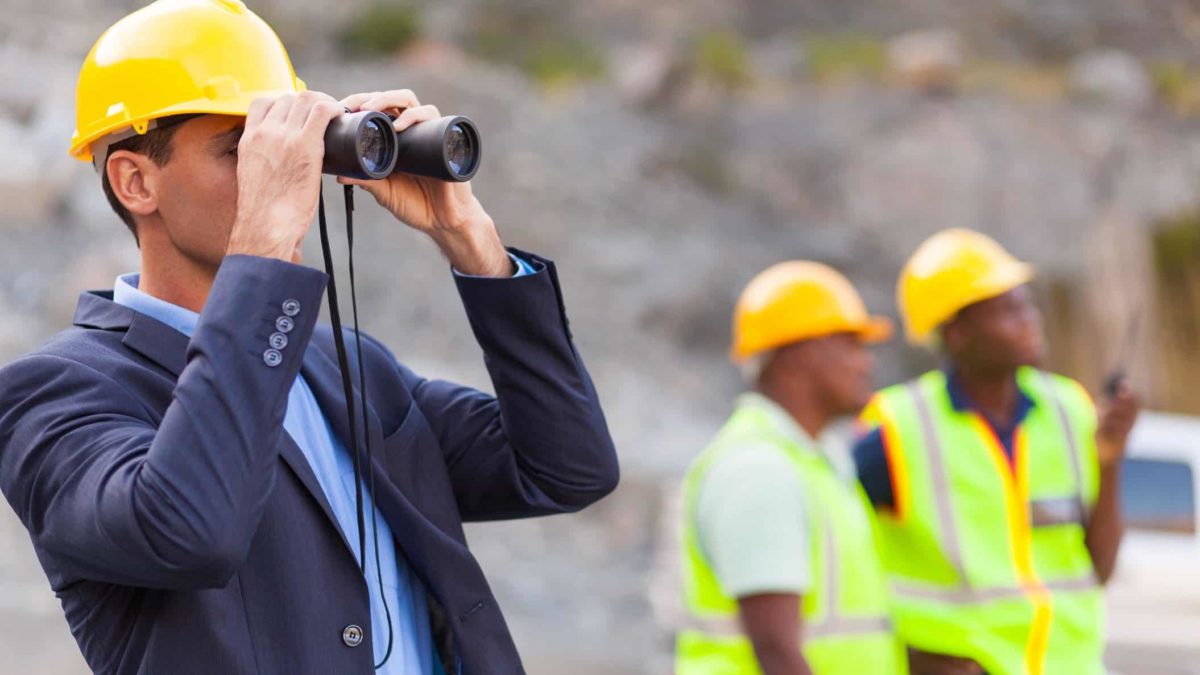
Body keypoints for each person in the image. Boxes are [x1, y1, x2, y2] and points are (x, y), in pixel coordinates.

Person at [0, 1, 618, 673]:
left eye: (291, 152)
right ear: (135, 180)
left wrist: (471, 242)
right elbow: (189, 530)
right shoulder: (53, 393)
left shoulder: (346, 368)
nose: (286, 175)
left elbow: (567, 468)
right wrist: (262, 246)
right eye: (244, 151)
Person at [854, 229, 1140, 675]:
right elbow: (838, 564)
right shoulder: (897, 428)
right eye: (1007, 310)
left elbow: (1099, 569)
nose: (1029, 319)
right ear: (957, 333)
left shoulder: (1070, 410)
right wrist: (904, 657)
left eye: (1026, 304)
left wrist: (1111, 458)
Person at [675, 261, 906, 675]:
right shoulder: (758, 469)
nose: (865, 364)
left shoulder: (813, 461)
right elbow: (778, 655)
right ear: (798, 356)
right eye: (850, 344)